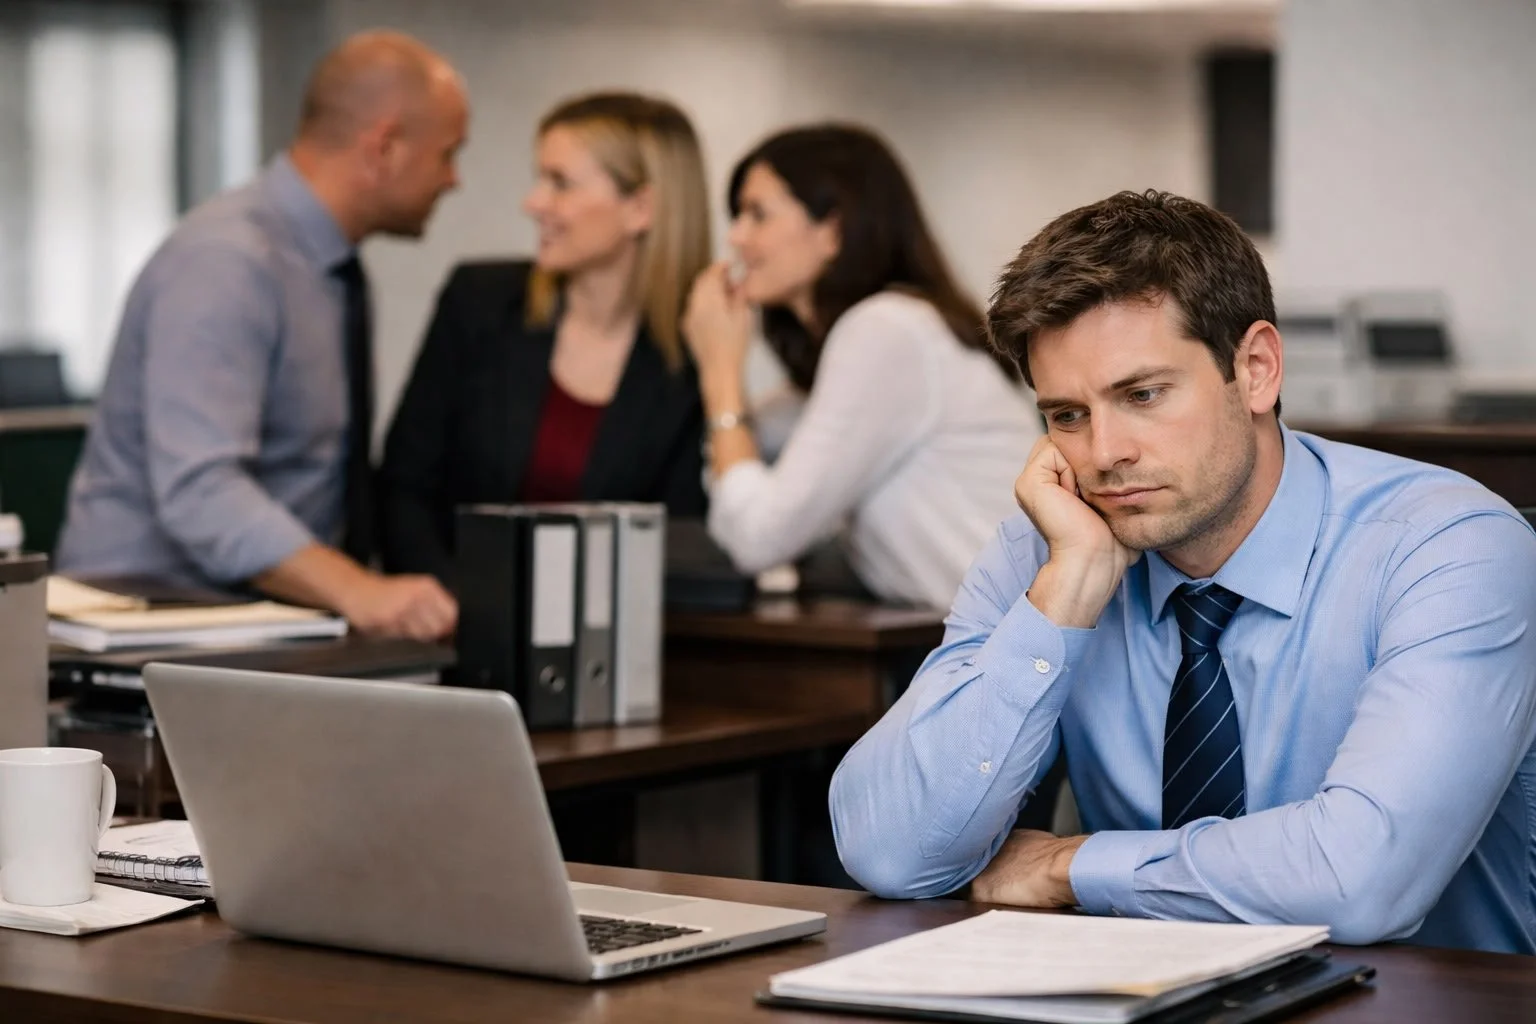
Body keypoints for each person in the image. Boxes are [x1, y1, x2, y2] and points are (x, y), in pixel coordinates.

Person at [829, 189, 1536, 954]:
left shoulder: (1449, 546)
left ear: (1258, 369)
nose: (1104, 454)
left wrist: (1072, 867)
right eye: (1066, 415)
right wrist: (1063, 597)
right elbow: (888, 849)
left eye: (1142, 395)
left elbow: (1361, 881)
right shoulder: (1048, 547)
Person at [56, 31, 466, 641]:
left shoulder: (331, 270)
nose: (453, 180)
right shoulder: (228, 262)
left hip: (252, 625)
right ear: (384, 147)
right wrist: (359, 589)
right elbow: (201, 492)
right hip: (144, 631)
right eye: (447, 154)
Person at [682, 125, 1039, 609]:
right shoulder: (879, 336)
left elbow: (757, 538)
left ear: (832, 230)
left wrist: (721, 372)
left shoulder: (886, 330)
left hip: (1025, 654)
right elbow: (737, 461)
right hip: (992, 643)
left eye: (757, 214)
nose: (736, 237)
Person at [379, 92, 711, 587]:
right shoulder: (478, 302)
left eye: (560, 183)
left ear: (640, 208)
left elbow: (678, 546)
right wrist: (461, 615)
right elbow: (403, 490)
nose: (533, 203)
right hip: (448, 631)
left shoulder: (688, 363)